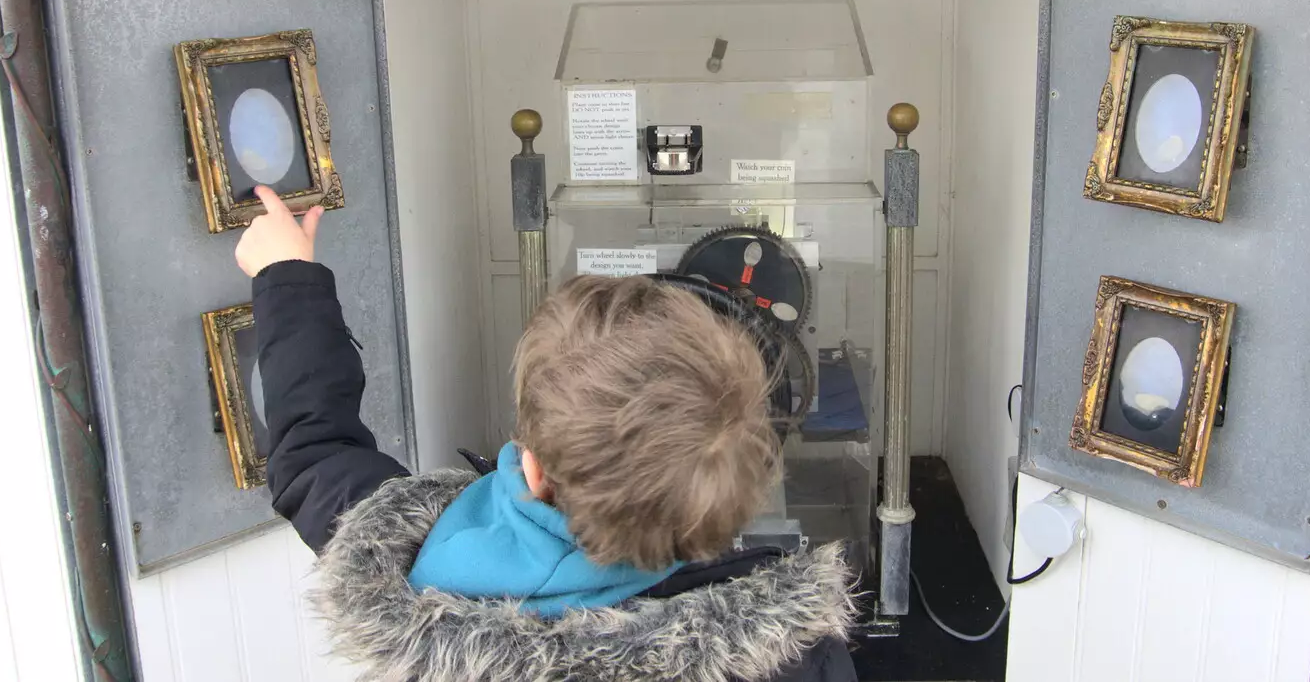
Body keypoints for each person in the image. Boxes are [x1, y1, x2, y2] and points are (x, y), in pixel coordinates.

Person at [236, 185, 858, 682]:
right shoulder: (794, 656)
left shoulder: (410, 566)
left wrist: (287, 275)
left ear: (533, 471)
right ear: (731, 506)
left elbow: (313, 451)